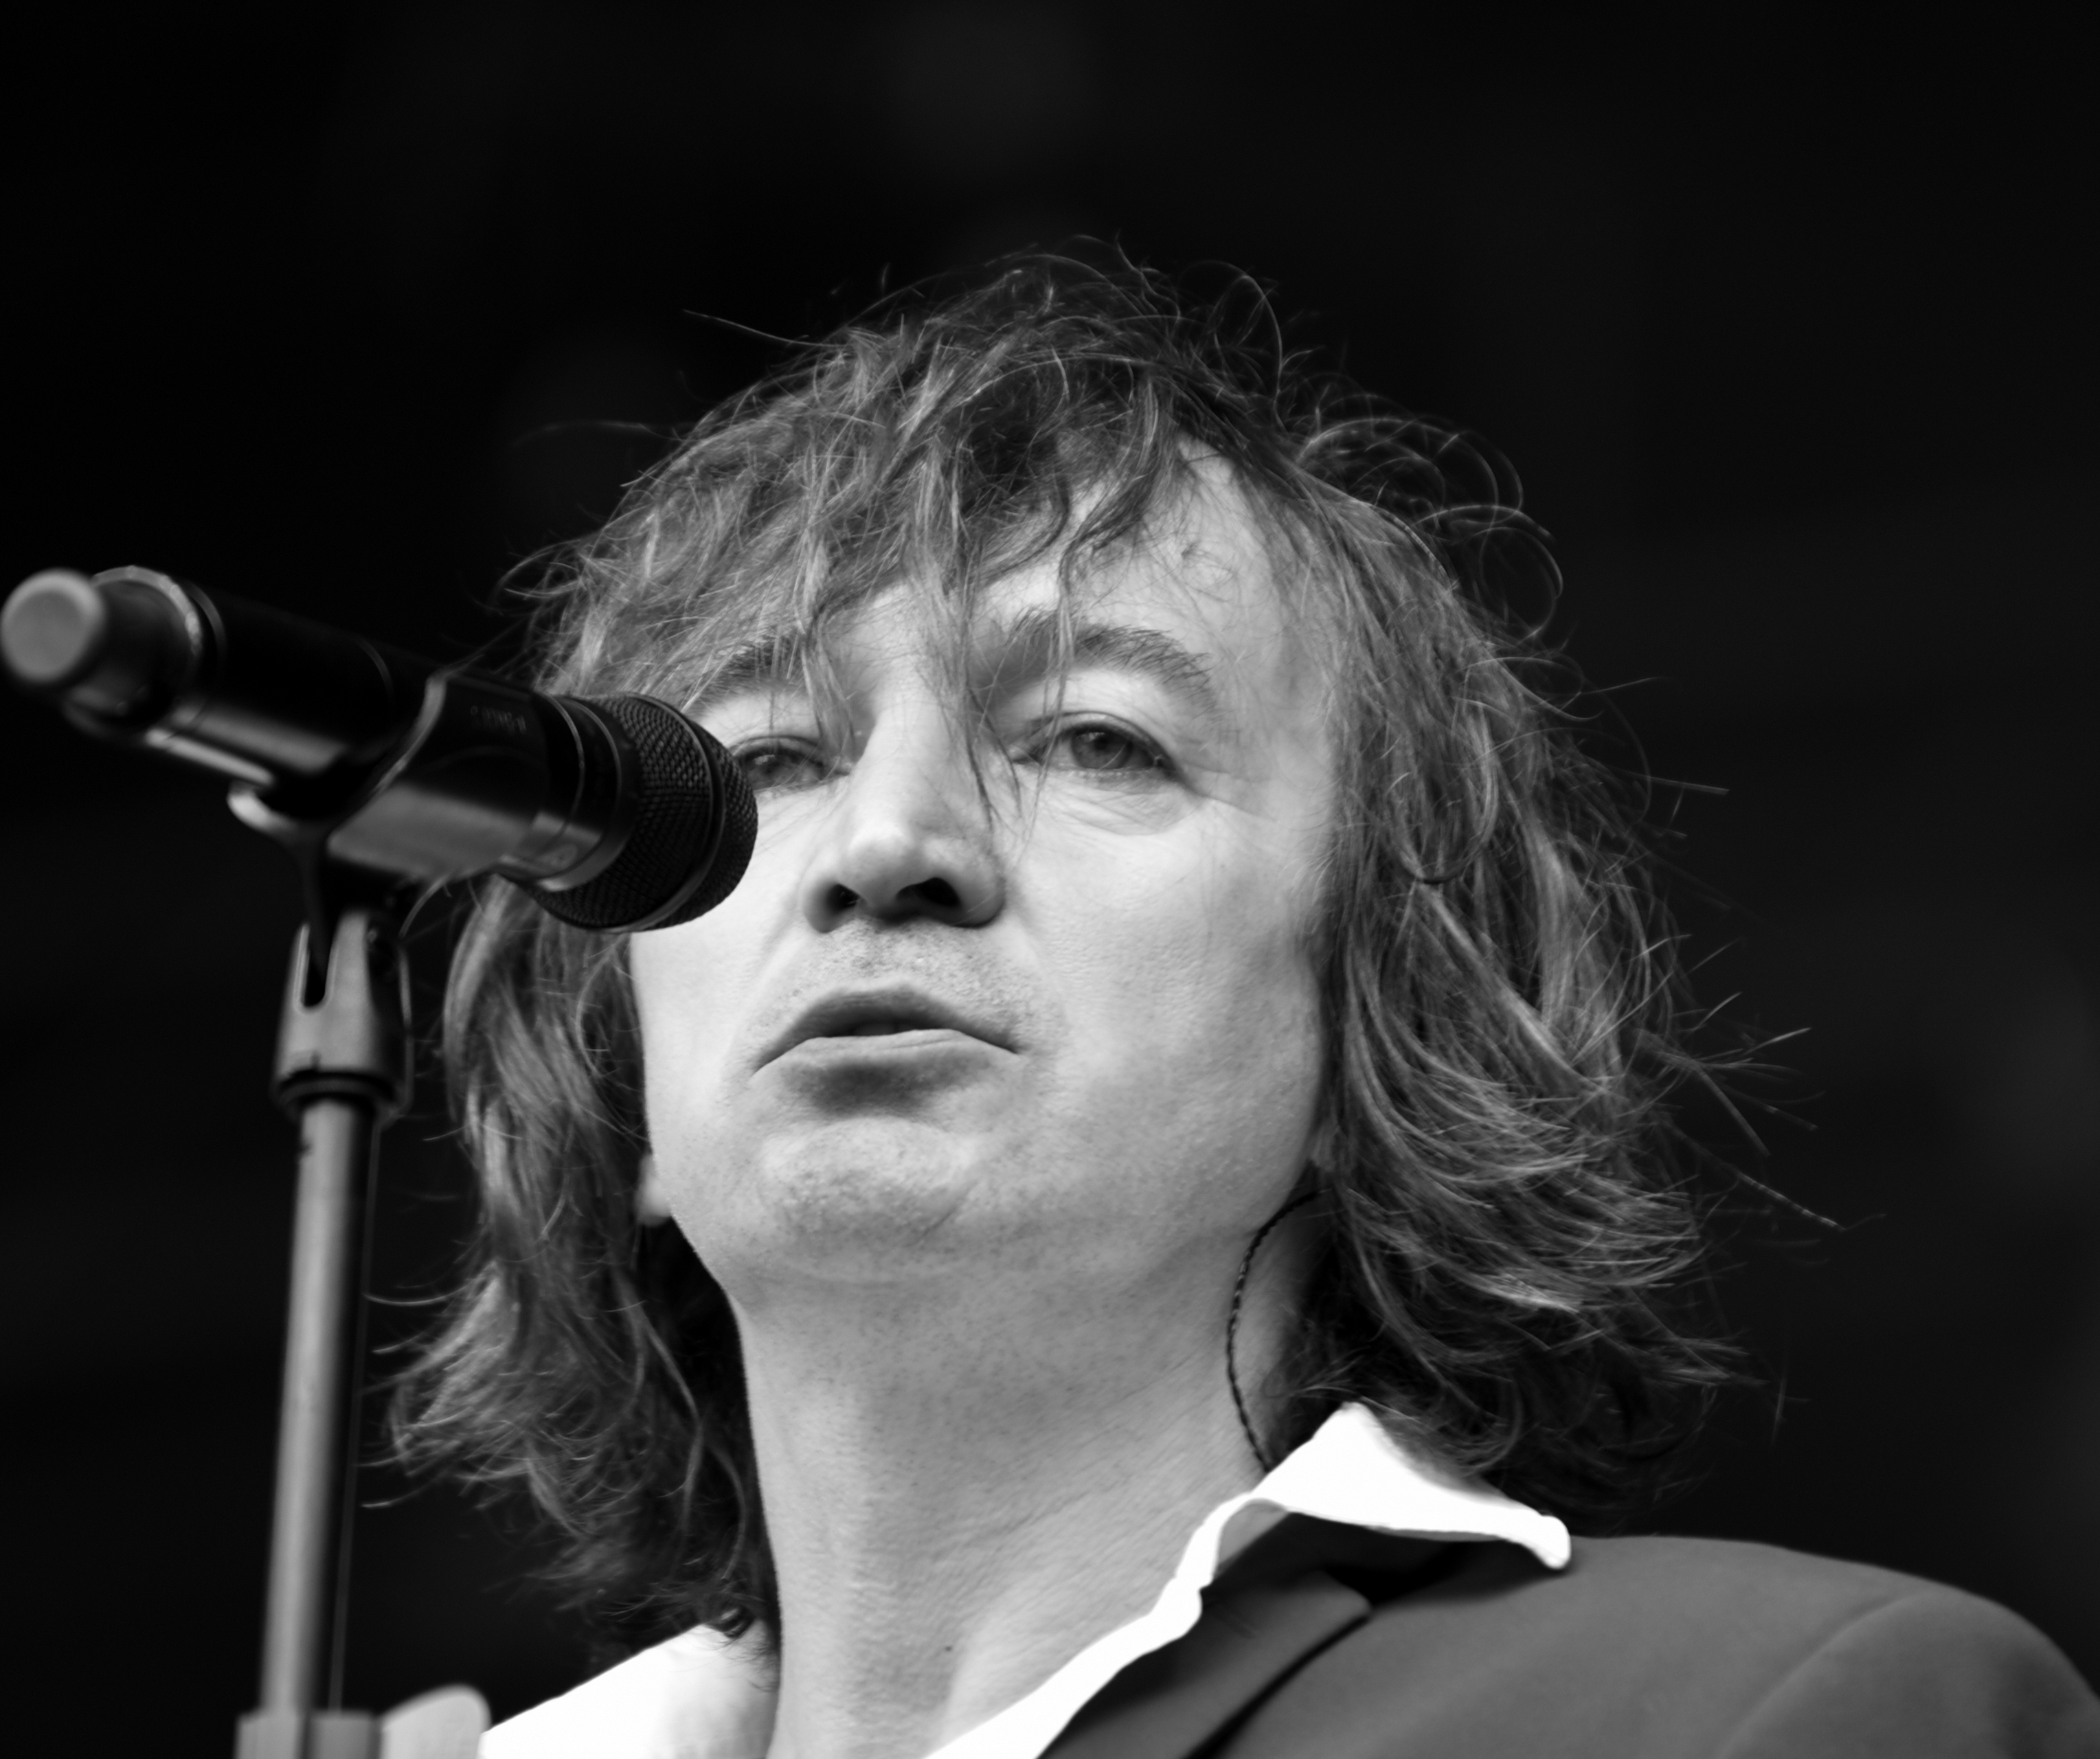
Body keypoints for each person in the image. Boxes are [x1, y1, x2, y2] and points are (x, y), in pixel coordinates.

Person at [396, 259, 2100, 1758]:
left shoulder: (1768, 1714)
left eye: (1097, 738)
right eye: (766, 758)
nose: (888, 843)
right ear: (619, 1077)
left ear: (1380, 1025)